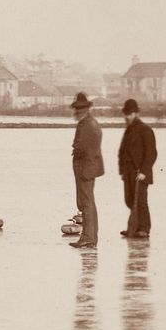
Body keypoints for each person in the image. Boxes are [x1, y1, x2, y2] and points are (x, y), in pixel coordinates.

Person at [118, 98, 157, 238]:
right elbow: (122, 151)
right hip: (128, 173)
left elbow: (152, 153)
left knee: (140, 201)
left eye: (128, 114)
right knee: (129, 199)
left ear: (135, 114)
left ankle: (144, 228)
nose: (126, 117)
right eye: (125, 114)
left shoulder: (146, 130)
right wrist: (122, 170)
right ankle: (135, 226)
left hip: (140, 173)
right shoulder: (129, 130)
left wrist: (144, 172)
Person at [70, 92, 104, 248]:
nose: (75, 112)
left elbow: (83, 148)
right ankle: (90, 237)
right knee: (88, 202)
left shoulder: (88, 125)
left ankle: (88, 238)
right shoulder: (89, 123)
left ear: (84, 109)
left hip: (85, 168)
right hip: (87, 168)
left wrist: (77, 153)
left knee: (87, 203)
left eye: (78, 109)